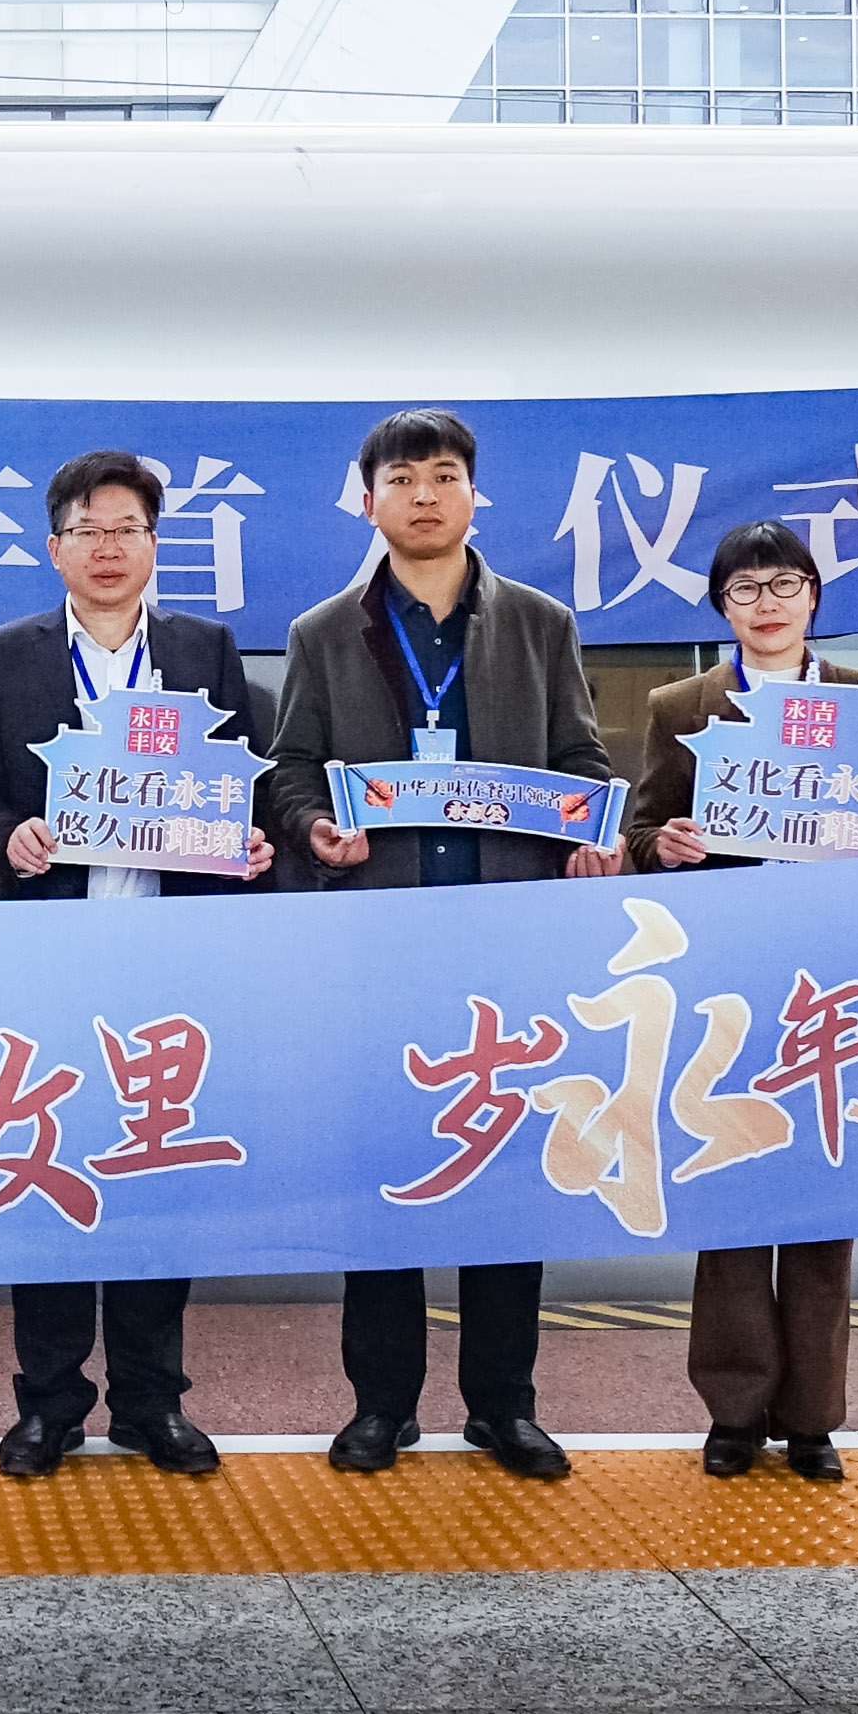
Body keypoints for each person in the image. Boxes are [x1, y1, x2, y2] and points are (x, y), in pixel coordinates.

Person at [257, 407, 628, 1482]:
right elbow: (290, 768)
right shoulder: (324, 631)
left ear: (472, 493)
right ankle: (381, 1406)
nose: (424, 494)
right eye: (402, 478)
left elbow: (580, 759)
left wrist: (593, 831)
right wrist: (310, 828)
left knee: (510, 1174)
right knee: (385, 1172)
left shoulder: (539, 623)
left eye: (444, 475)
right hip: (379, 947)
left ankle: (503, 1406)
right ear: (368, 499)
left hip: (511, 942)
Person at [0, 449, 268, 1480]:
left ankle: (150, 1400)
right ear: (55, 549)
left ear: (154, 544)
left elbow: (243, 795)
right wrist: (7, 834)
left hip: (170, 961)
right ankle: (48, 1404)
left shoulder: (206, 651)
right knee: (46, 1173)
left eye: (126, 528)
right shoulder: (4, 656)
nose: (108, 547)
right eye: (87, 530)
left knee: (153, 1179)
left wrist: (250, 845)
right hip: (49, 959)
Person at [626, 521, 858, 1486]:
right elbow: (642, 829)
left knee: (823, 1192)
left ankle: (812, 1415)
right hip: (729, 981)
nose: (765, 604)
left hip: (834, 979)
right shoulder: (681, 705)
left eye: (783, 584)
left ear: (813, 595)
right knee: (729, 1187)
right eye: (744, 589)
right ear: (720, 607)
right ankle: (733, 1411)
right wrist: (662, 846)